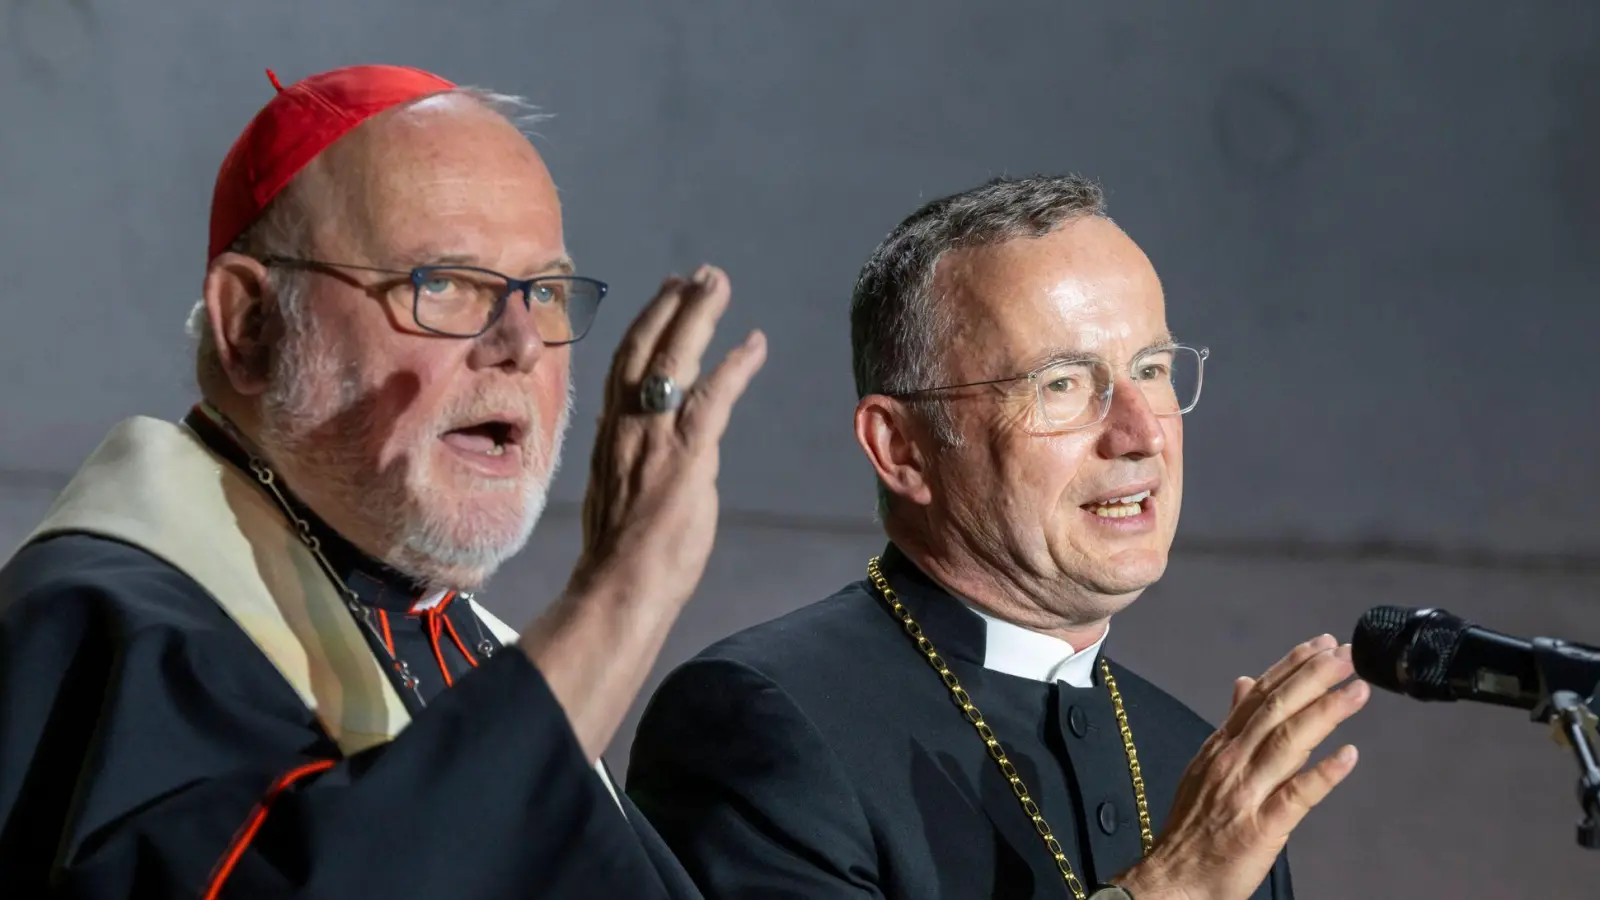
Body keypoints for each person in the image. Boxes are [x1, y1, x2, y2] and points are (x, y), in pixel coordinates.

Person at [0, 64, 765, 899]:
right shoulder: (106, 623)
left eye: (542, 292)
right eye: (443, 284)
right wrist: (622, 596)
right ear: (251, 327)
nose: (519, 344)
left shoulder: (476, 648)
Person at [627, 175, 1369, 900]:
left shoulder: (1197, 766)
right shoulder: (766, 722)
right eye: (1063, 384)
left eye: (1152, 369)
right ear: (901, 448)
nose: (1141, 434)